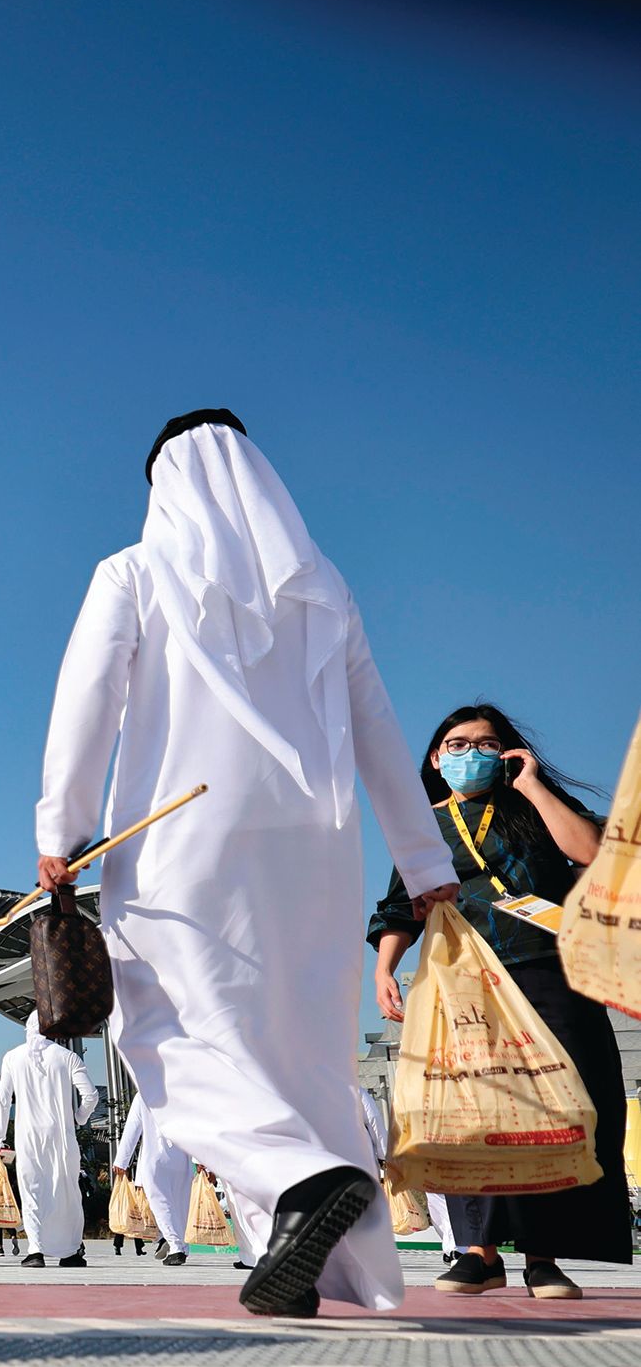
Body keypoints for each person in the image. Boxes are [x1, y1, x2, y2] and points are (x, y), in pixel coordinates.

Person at [36, 410, 458, 1317]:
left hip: (178, 840)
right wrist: (423, 858)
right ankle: (319, 1266)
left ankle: (300, 1185)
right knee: (302, 1054)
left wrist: (60, 828)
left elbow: (87, 699)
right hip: (317, 846)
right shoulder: (324, 590)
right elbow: (382, 731)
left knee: (166, 1030)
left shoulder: (136, 571)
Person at [370, 704, 626, 1300]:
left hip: (546, 968)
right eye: (457, 745)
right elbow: (399, 904)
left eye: (485, 744)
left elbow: (591, 852)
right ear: (436, 759)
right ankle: (479, 1254)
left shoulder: (530, 808)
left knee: (557, 1108)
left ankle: (544, 1257)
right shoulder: (421, 825)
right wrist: (385, 967)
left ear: (508, 753)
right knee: (471, 1109)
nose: (470, 754)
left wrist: (532, 784)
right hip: (459, 977)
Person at [0, 1025, 97, 1267]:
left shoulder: (12, 1057)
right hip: (62, 1135)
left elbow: (3, 1100)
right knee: (67, 1190)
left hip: (27, 1135)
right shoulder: (67, 1056)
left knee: (32, 1191)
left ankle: (36, 1250)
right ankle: (69, 1252)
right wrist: (78, 1118)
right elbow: (91, 1095)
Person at [112, 1093, 193, 1265]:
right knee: (181, 1203)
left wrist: (121, 1161)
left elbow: (133, 1128)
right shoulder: (182, 1092)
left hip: (154, 1157)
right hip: (182, 1156)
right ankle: (182, 1246)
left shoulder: (144, 1093)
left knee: (161, 1203)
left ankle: (175, 1246)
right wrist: (202, 1161)